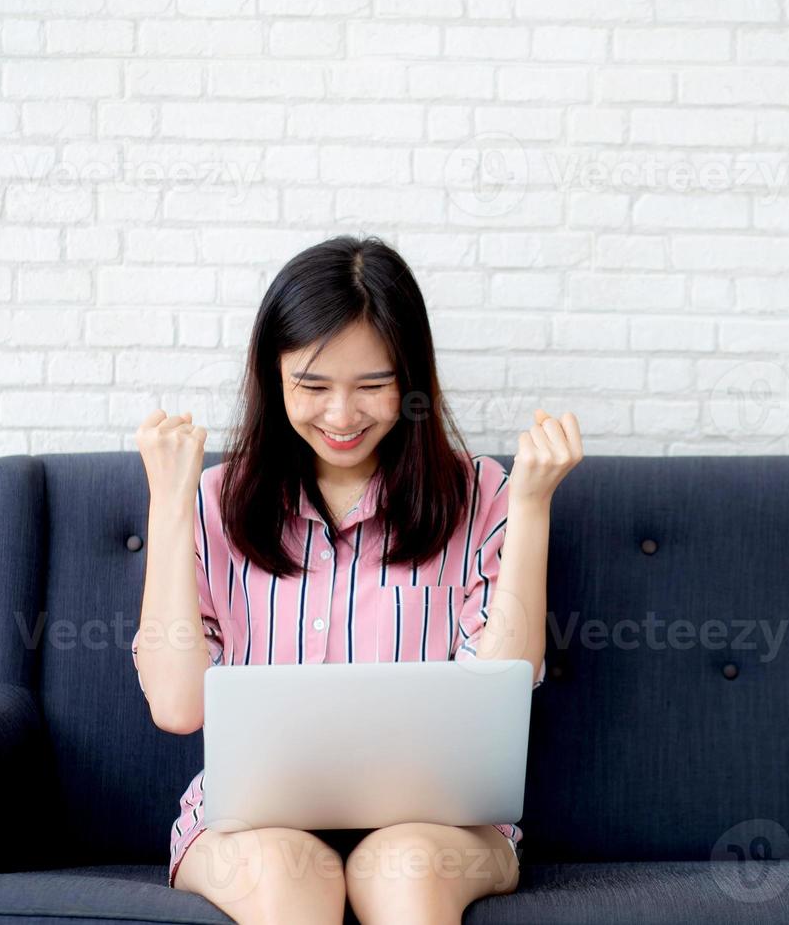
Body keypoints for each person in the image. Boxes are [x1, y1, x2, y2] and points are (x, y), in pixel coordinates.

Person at [130, 234, 583, 925]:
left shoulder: (482, 496)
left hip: (441, 826)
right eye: (312, 387)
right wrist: (169, 502)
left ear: (412, 382)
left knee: (401, 869)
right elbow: (177, 704)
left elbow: (507, 677)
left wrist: (531, 506)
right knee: (288, 876)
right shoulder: (212, 503)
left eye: (372, 386)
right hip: (248, 827)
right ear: (272, 377)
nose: (342, 417)